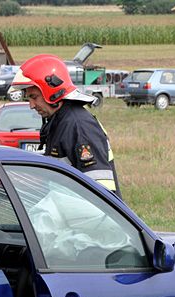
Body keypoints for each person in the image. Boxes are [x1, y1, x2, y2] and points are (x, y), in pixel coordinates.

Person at [8, 54, 120, 198]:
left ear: (53, 92)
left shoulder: (79, 126)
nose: (31, 105)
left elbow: (101, 194)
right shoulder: (60, 122)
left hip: (87, 218)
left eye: (34, 97)